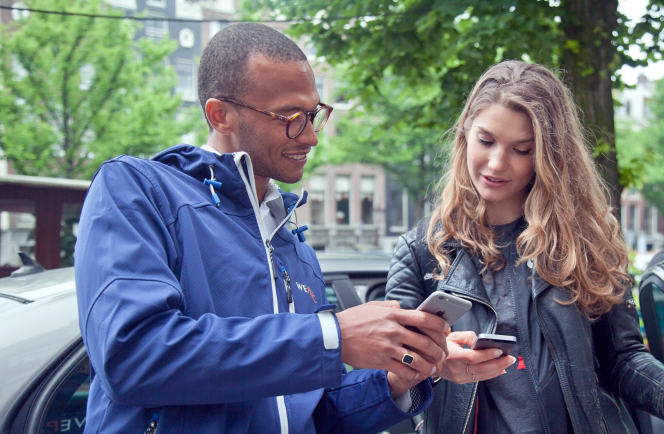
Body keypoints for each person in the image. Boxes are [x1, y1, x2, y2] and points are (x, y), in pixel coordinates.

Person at [74, 23, 450, 434]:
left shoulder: (294, 242)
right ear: (220, 115)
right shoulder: (136, 189)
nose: (310, 136)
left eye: (312, 115)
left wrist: (403, 378)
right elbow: (133, 356)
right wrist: (333, 335)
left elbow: (306, 413)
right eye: (289, 116)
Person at [385, 60, 664, 434]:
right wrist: (436, 363)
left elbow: (621, 356)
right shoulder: (421, 250)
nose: (497, 163)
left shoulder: (589, 239)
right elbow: (390, 380)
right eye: (486, 141)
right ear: (465, 133)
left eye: (522, 150)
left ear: (549, 154)